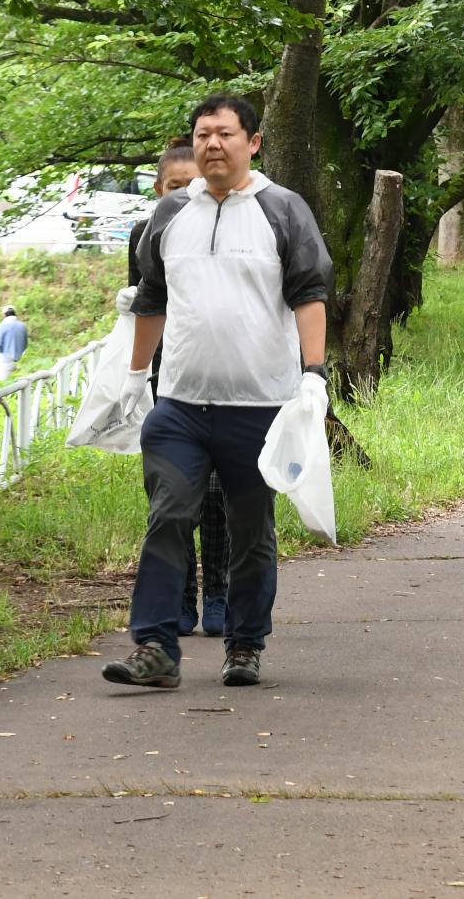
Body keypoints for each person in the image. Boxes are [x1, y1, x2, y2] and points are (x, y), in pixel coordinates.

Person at [104, 94, 332, 690]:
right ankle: (155, 646)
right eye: (203, 134)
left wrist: (314, 373)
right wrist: (135, 376)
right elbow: (151, 298)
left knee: (251, 531)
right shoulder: (169, 214)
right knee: (167, 515)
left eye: (224, 134)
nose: (211, 144)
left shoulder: (283, 210)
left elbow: (309, 292)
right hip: (181, 403)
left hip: (260, 405)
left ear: (252, 143)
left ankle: (245, 644)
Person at [126, 143, 228, 638]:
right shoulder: (146, 232)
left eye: (194, 185)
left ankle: (221, 594)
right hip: (168, 379)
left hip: (224, 379)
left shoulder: (231, 227)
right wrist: (135, 373)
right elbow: (145, 300)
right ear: (159, 189)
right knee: (174, 495)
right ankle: (182, 593)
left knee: (220, 494)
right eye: (175, 187)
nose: (186, 194)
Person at [0, 305, 29, 370]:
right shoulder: (22, 325)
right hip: (21, 359)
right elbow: (25, 344)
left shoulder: (2, 326)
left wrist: (2, 353)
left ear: (4, 315)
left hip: (6, 360)